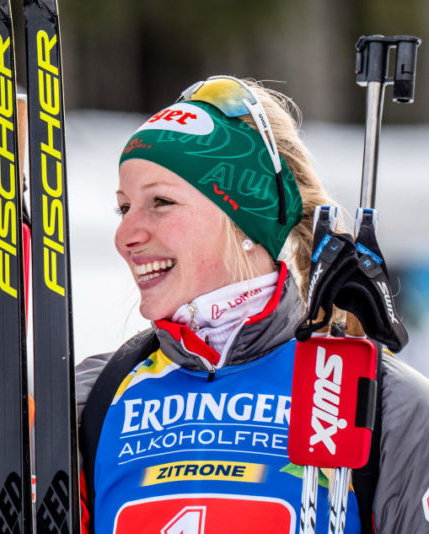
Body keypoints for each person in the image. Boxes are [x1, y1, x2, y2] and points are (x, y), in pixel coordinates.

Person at [75, 76, 429, 533]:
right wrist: (1, 454)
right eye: (124, 208)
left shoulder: (383, 401)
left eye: (161, 202)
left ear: (244, 219)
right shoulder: (92, 395)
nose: (126, 235)